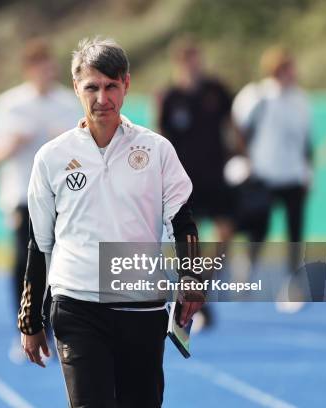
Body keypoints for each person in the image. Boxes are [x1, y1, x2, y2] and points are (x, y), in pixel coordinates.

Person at [18, 37, 204, 407]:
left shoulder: (156, 150)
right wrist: (31, 318)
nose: (102, 98)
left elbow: (182, 221)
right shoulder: (51, 157)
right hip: (76, 305)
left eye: (110, 87)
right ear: (76, 88)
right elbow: (40, 242)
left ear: (126, 85)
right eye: (92, 87)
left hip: (143, 308)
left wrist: (191, 277)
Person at [0, 38, 81, 362]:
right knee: (24, 265)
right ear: (28, 70)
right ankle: (26, 328)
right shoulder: (9, 104)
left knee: (62, 264)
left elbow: (86, 150)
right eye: (38, 67)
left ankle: (56, 330)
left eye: (49, 67)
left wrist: (62, 143)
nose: (45, 73)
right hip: (22, 196)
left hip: (63, 197)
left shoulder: (69, 102)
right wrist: (14, 142)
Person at [157, 36, 236, 328]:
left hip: (216, 176)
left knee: (225, 231)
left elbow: (232, 126)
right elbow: (161, 136)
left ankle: (202, 285)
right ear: (178, 63)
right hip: (184, 180)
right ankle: (195, 295)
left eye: (195, 58)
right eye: (187, 59)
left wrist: (242, 154)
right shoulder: (169, 97)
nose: (193, 64)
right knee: (192, 240)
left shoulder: (216, 90)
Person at [232, 46, 312, 312]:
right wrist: (247, 162)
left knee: (294, 235)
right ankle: (246, 277)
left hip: (292, 177)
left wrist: (307, 170)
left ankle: (293, 286)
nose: (292, 73)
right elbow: (238, 131)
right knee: (259, 231)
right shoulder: (258, 96)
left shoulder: (300, 100)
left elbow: (305, 140)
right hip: (263, 176)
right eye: (287, 67)